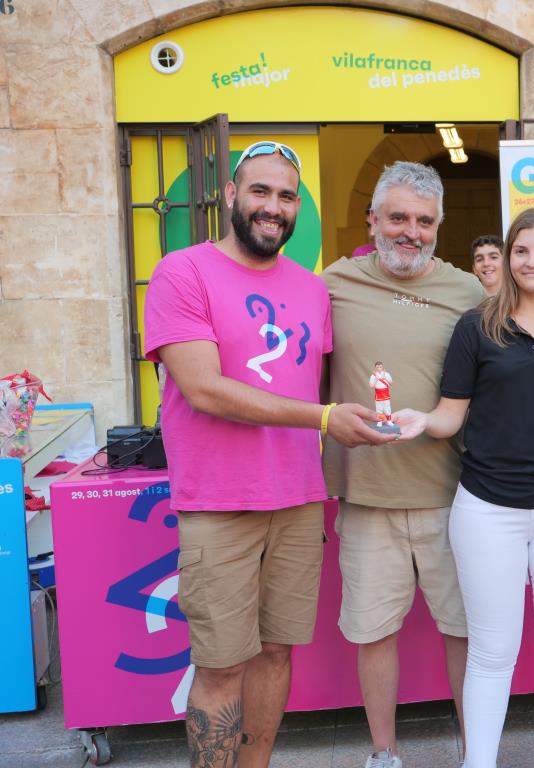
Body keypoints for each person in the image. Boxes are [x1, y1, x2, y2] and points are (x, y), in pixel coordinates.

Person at [144, 141, 392, 768]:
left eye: (286, 196)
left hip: (299, 500)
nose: (272, 207)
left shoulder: (312, 289)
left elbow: (325, 383)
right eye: (259, 191)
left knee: (278, 653)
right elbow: (204, 389)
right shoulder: (183, 271)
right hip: (221, 501)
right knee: (222, 665)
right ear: (231, 195)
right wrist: (326, 419)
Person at [396, 208, 534, 768]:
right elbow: (452, 415)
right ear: (508, 257)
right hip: (487, 510)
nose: (533, 261)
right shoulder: (477, 328)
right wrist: (421, 422)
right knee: (492, 652)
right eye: (523, 250)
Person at [321, 161, 485, 768]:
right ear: (373, 220)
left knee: (465, 631)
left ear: (438, 227)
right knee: (374, 632)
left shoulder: (469, 291)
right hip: (366, 496)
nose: (409, 232)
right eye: (397, 217)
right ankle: (384, 754)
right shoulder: (332, 284)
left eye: (424, 221)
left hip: (454, 495)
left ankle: (478, 751)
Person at [368, 361, 397, 431]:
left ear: (382, 367)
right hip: (378, 393)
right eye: (377, 367)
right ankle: (380, 422)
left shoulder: (387, 374)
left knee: (387, 407)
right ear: (375, 367)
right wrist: (376, 379)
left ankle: (389, 421)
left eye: (380, 367)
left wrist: (384, 378)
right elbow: (371, 386)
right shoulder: (373, 376)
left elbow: (391, 383)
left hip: (386, 392)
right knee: (379, 409)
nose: (379, 368)